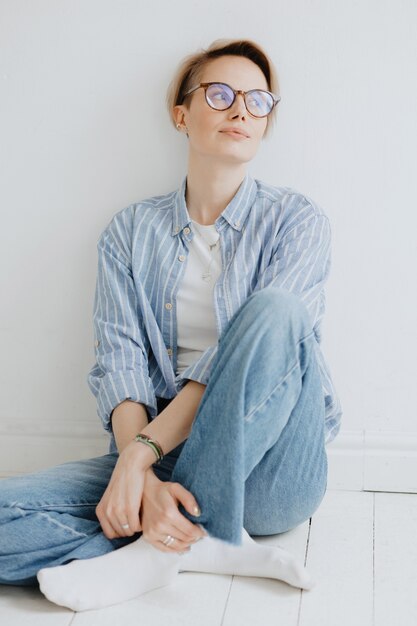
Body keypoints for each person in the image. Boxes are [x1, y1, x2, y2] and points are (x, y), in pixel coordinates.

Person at [0, 38, 342, 611]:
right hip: (167, 457)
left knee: (276, 312)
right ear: (181, 114)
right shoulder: (130, 232)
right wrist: (148, 480)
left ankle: (151, 551)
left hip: (272, 470)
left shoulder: (296, 220)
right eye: (221, 93)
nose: (240, 109)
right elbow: (122, 364)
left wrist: (138, 457)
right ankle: (185, 540)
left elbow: (271, 343)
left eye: (258, 100)